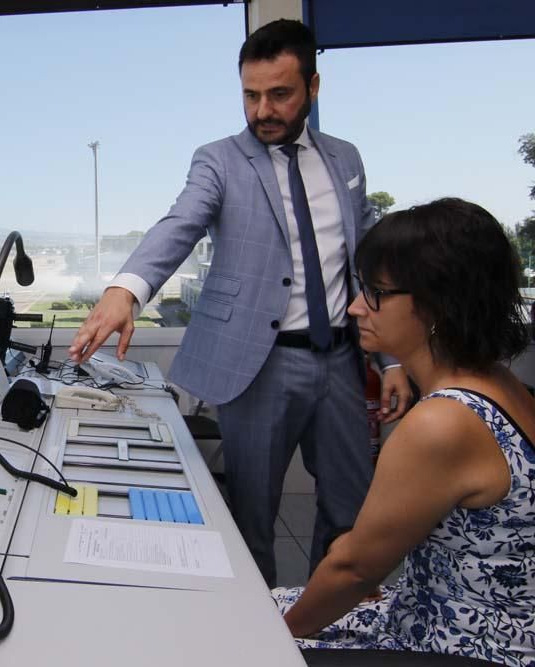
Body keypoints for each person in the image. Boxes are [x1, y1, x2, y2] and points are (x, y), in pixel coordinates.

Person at [68, 19, 411, 586]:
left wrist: (391, 359)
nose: (262, 111)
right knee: (251, 518)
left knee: (350, 513)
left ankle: (330, 624)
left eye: (280, 94)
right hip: (260, 365)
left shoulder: (346, 160)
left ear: (313, 88)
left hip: (343, 362)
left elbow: (365, 265)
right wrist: (125, 287)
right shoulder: (219, 160)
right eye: (251, 95)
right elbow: (182, 221)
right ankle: (262, 637)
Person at [273, 198, 535, 665]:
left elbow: (355, 569)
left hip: (464, 647)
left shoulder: (443, 421)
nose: (355, 307)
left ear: (439, 302)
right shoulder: (500, 381)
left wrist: (266, 641)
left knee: (237, 629)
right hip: (456, 618)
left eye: (375, 292)